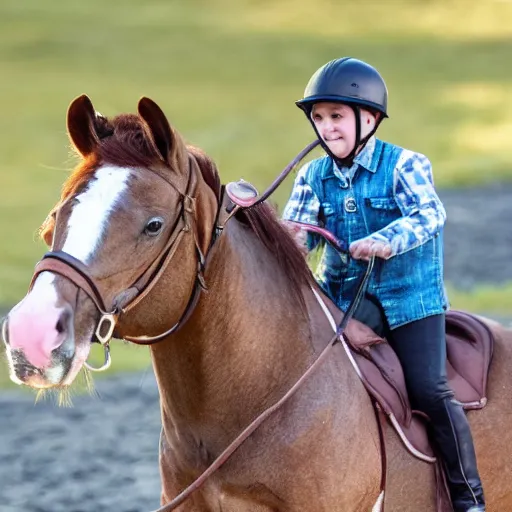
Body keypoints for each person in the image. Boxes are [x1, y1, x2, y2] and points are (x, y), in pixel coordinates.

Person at [282, 57, 485, 512]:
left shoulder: (405, 165)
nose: (326, 128)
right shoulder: (311, 177)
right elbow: (296, 234)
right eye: (319, 118)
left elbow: (431, 214)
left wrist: (385, 241)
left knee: (430, 389)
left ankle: (469, 497)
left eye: (336, 116)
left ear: (368, 119)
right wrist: (281, 242)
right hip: (342, 300)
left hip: (410, 301)